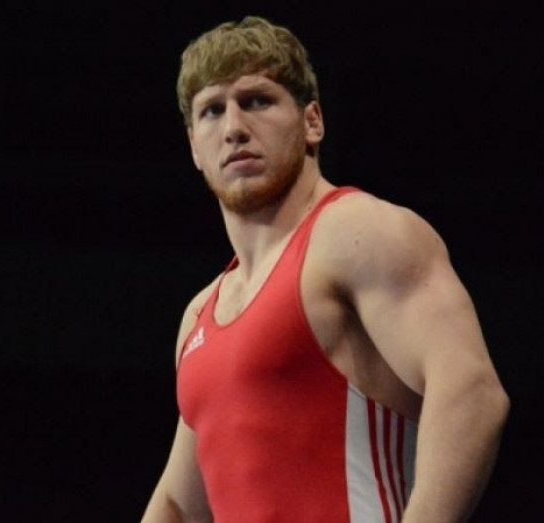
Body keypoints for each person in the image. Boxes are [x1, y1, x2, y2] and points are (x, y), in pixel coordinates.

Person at [141, 16, 509, 523]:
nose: (234, 128)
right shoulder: (199, 315)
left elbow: (471, 391)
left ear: (312, 121)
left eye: (257, 101)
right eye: (212, 110)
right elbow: (179, 504)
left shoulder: (356, 233)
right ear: (193, 149)